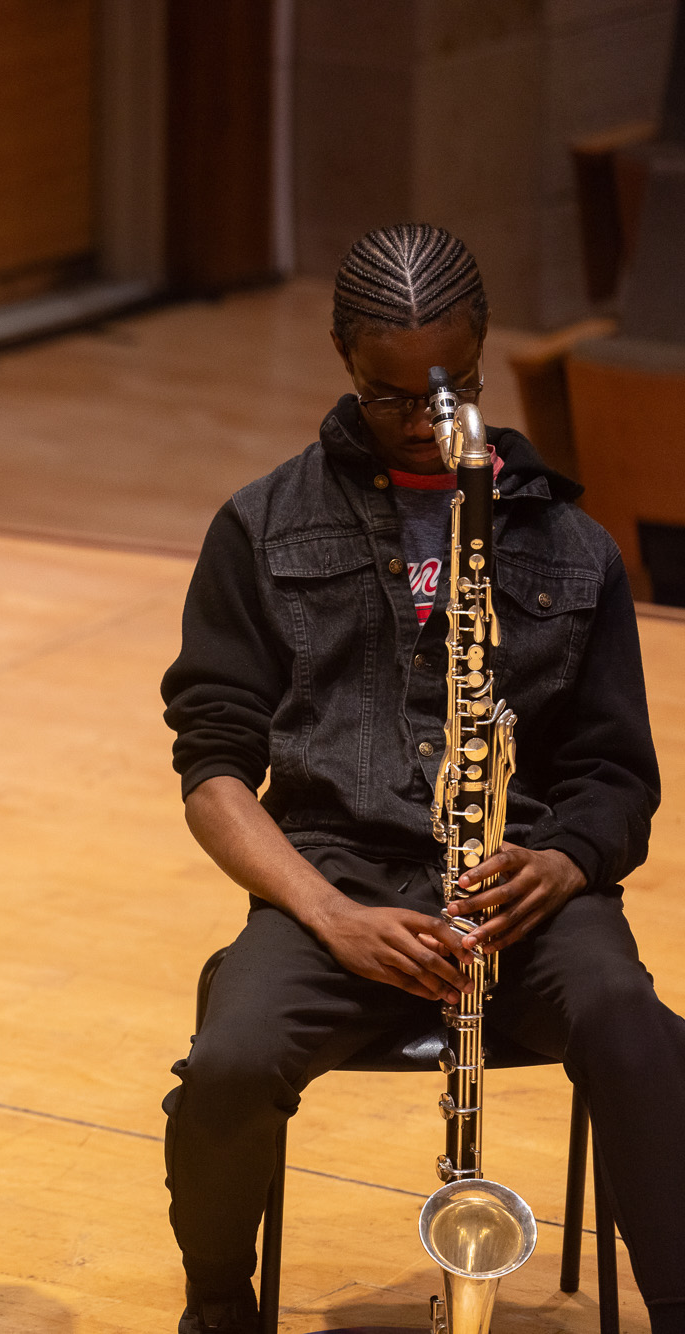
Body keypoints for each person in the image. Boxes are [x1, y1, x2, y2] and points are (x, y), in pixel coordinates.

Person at [160, 223, 680, 1334]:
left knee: (633, 1026)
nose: (422, 420)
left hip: (520, 886)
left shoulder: (567, 540)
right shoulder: (258, 524)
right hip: (333, 885)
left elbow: (614, 775)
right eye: (387, 394)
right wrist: (329, 915)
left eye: (449, 388)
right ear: (344, 363)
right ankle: (216, 1305)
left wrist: (562, 859)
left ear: (482, 353)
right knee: (226, 1062)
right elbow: (211, 770)